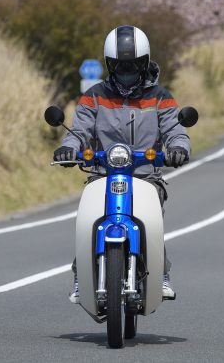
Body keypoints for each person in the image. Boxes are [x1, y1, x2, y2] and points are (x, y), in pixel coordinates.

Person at [53, 25, 191, 304]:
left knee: (152, 222)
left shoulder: (160, 97)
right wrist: (69, 149)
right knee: (88, 217)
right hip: (102, 174)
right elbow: (79, 131)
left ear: (145, 63)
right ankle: (81, 275)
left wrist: (178, 148)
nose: (127, 71)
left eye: (134, 65)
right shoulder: (94, 95)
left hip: (146, 176)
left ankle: (161, 274)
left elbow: (176, 130)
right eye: (120, 66)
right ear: (110, 65)